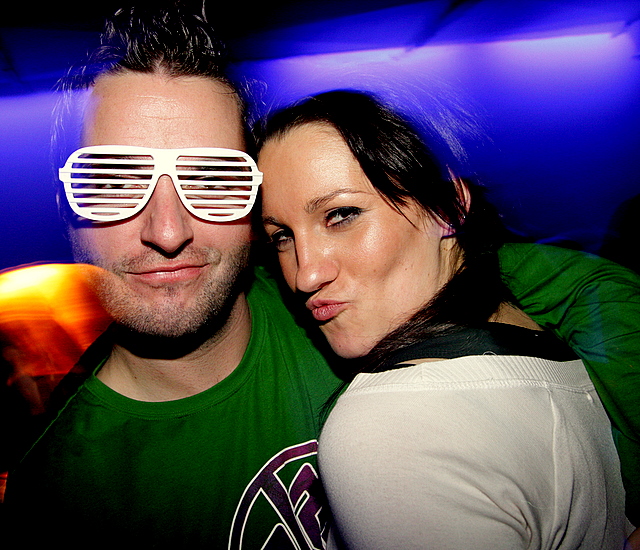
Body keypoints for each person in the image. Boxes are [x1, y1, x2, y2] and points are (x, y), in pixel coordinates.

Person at [2, 3, 640, 548]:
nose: (168, 231)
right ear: (65, 204)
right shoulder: (53, 491)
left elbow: (590, 287)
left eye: (214, 179)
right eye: (113, 179)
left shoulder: (358, 301)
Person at [255, 89, 634, 548]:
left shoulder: (390, 424)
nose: (305, 274)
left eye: (341, 215)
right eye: (281, 236)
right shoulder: (548, 346)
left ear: (448, 207)